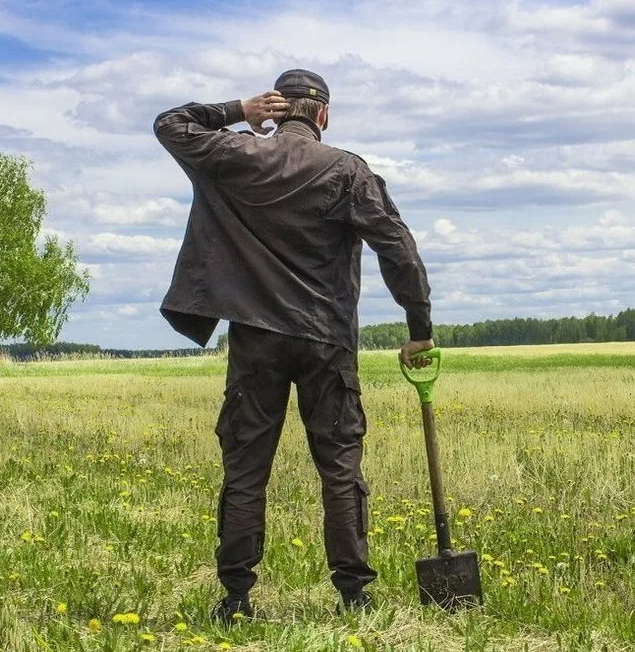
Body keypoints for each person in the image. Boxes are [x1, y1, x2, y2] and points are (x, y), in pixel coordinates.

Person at [153, 69, 434, 624]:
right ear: (324, 115)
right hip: (326, 339)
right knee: (340, 467)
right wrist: (418, 325)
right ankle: (354, 595)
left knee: (246, 468)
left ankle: (235, 599)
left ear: (276, 109)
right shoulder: (348, 170)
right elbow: (397, 248)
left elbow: (170, 124)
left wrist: (238, 109)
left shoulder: (236, 156)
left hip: (255, 339)